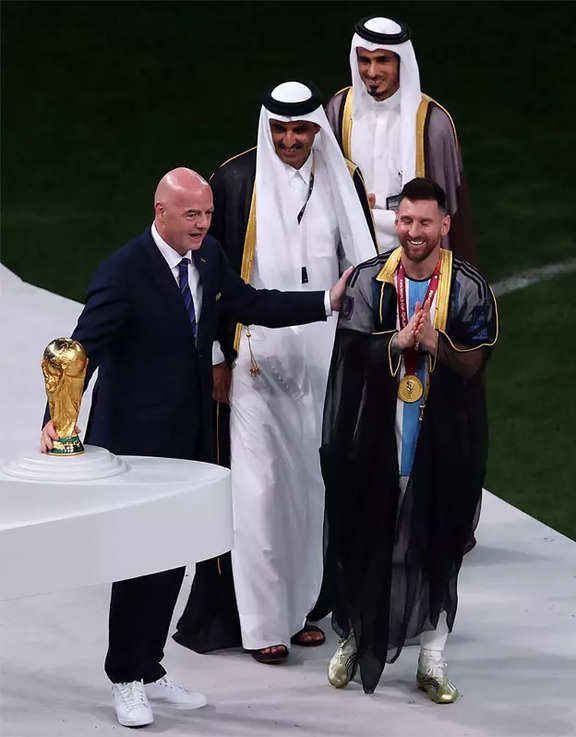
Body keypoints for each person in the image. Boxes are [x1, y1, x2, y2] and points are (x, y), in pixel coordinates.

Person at [40, 167, 353, 728]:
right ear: (160, 210)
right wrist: (55, 421)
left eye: (207, 215)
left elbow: (251, 303)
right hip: (133, 448)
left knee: (171, 557)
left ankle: (151, 667)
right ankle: (125, 679)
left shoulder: (207, 259)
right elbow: (80, 350)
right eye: (192, 215)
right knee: (136, 562)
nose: (204, 225)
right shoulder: (123, 272)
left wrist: (326, 301)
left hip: (188, 439)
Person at [174, 82, 378, 665]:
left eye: (301, 129)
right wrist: (215, 356)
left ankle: (299, 609)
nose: (289, 141)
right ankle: (261, 621)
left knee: (309, 492)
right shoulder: (236, 181)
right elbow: (204, 276)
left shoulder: (344, 179)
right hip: (255, 356)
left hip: (324, 359)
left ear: (317, 128)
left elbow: (359, 268)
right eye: (280, 130)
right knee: (258, 491)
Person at [322, 178, 497, 700]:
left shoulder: (469, 286)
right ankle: (357, 635)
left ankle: (432, 659)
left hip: (442, 439)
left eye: (425, 222)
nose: (414, 232)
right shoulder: (369, 281)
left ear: (445, 225)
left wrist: (434, 343)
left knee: (437, 542)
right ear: (395, 222)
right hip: (376, 434)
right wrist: (394, 344)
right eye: (406, 221)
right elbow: (349, 357)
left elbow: (475, 363)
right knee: (365, 535)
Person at [326, 15, 475, 261]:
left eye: (382, 60)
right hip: (353, 241)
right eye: (365, 61)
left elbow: (447, 209)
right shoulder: (339, 110)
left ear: (400, 61)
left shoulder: (432, 123)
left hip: (412, 244)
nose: (372, 72)